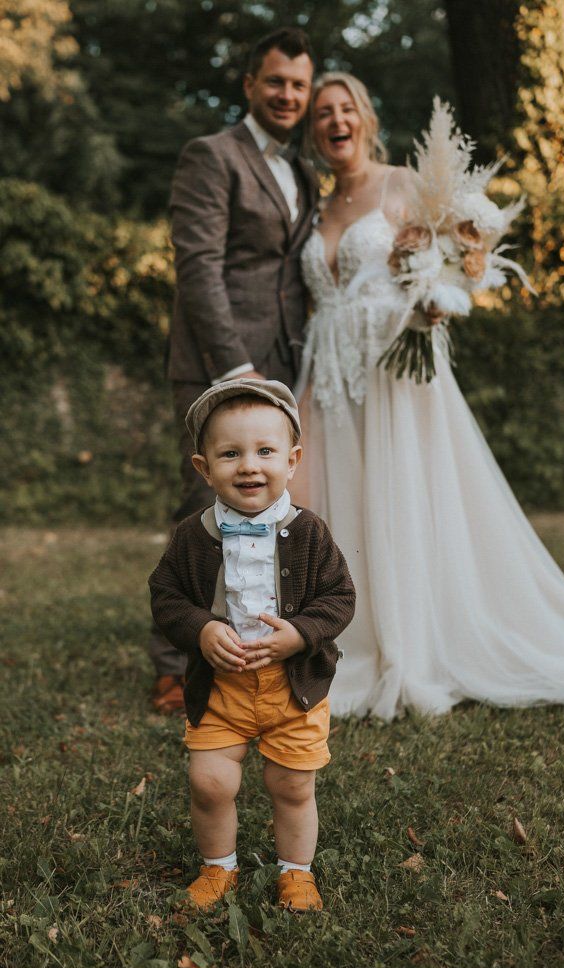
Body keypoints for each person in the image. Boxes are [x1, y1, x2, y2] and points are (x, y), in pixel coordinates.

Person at [295, 71, 564, 719]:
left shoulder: (400, 184)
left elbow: (451, 257)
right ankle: (351, 628)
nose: (335, 121)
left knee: (403, 491)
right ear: (312, 130)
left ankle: (412, 638)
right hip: (331, 374)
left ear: (365, 117)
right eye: (322, 112)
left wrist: (433, 301)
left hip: (397, 374)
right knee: (342, 500)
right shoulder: (316, 209)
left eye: (345, 107)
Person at [150, 28, 320, 713]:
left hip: (286, 365)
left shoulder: (304, 170)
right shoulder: (211, 155)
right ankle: (172, 661)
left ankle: (256, 643)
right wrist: (235, 369)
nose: (287, 95)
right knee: (204, 508)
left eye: (299, 85)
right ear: (249, 84)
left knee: (270, 509)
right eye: (275, 81)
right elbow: (198, 267)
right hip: (219, 366)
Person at [149, 379, 355, 911]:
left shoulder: (310, 533)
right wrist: (200, 628)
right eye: (230, 454)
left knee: (291, 784)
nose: (248, 466)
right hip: (220, 687)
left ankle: (297, 873)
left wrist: (302, 633)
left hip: (294, 686)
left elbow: (340, 597)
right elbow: (166, 596)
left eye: (265, 451)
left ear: (292, 461)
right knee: (210, 782)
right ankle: (219, 868)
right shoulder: (191, 537)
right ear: (203, 467)